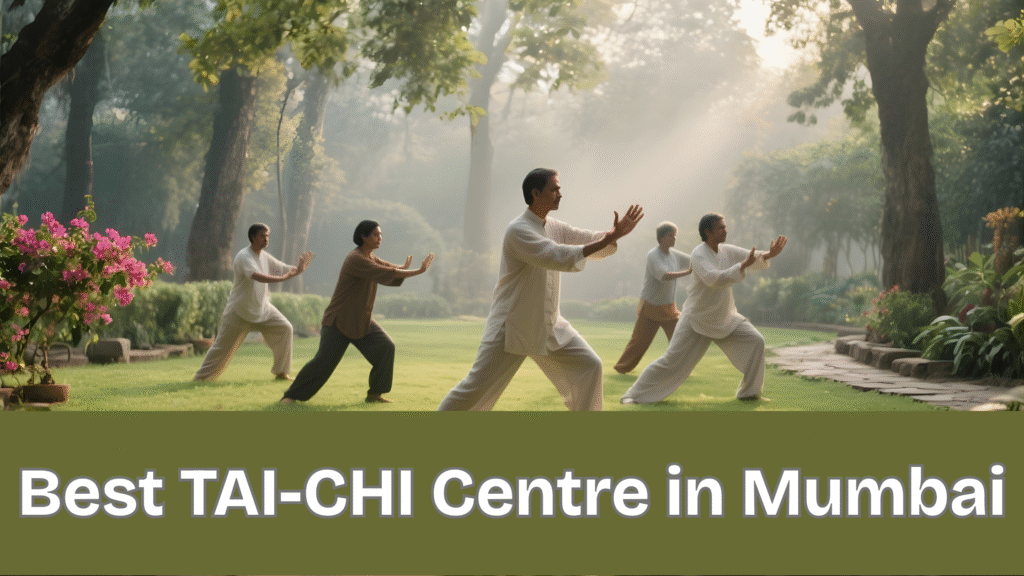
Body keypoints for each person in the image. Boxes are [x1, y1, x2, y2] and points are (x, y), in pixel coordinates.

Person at [437, 168, 643, 411]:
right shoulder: (518, 230)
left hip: (549, 324)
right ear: (536, 193)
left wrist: (612, 235)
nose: (560, 194)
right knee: (474, 388)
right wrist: (609, 237)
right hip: (511, 326)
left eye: (559, 188)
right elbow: (555, 255)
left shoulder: (554, 226)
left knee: (589, 366)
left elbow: (584, 239)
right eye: (554, 189)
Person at [620, 213, 787, 404]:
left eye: (725, 227)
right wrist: (742, 266)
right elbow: (714, 279)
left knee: (756, 341)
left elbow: (751, 256)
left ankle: (749, 393)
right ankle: (633, 395)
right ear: (708, 231)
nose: (725, 230)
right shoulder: (698, 255)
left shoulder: (727, 250)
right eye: (720, 227)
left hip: (724, 317)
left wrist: (768, 254)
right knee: (671, 362)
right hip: (696, 319)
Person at [281, 220, 434, 404]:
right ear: (363, 236)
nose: (380, 238)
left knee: (385, 348)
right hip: (338, 320)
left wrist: (404, 267)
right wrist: (419, 271)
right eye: (376, 235)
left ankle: (375, 394)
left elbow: (388, 268)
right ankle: (291, 396)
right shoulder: (356, 259)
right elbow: (388, 272)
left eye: (381, 234)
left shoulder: (370, 256)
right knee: (323, 362)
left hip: (361, 319)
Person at [193, 223, 314, 381]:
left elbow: (282, 268)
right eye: (263, 236)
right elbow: (256, 275)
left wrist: (298, 269)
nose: (266, 239)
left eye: (268, 236)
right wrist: (282, 279)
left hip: (263, 309)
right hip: (239, 312)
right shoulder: (244, 256)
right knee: (220, 348)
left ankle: (281, 372)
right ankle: (201, 378)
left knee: (285, 328)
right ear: (252, 237)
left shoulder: (263, 256)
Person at [613, 221, 692, 374]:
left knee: (681, 337)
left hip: (669, 307)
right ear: (662, 237)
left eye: (675, 235)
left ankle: (680, 368)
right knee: (639, 342)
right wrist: (687, 273)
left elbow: (693, 259)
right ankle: (621, 368)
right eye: (671, 235)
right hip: (651, 306)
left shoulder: (674, 255)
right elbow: (663, 275)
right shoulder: (653, 255)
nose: (674, 238)